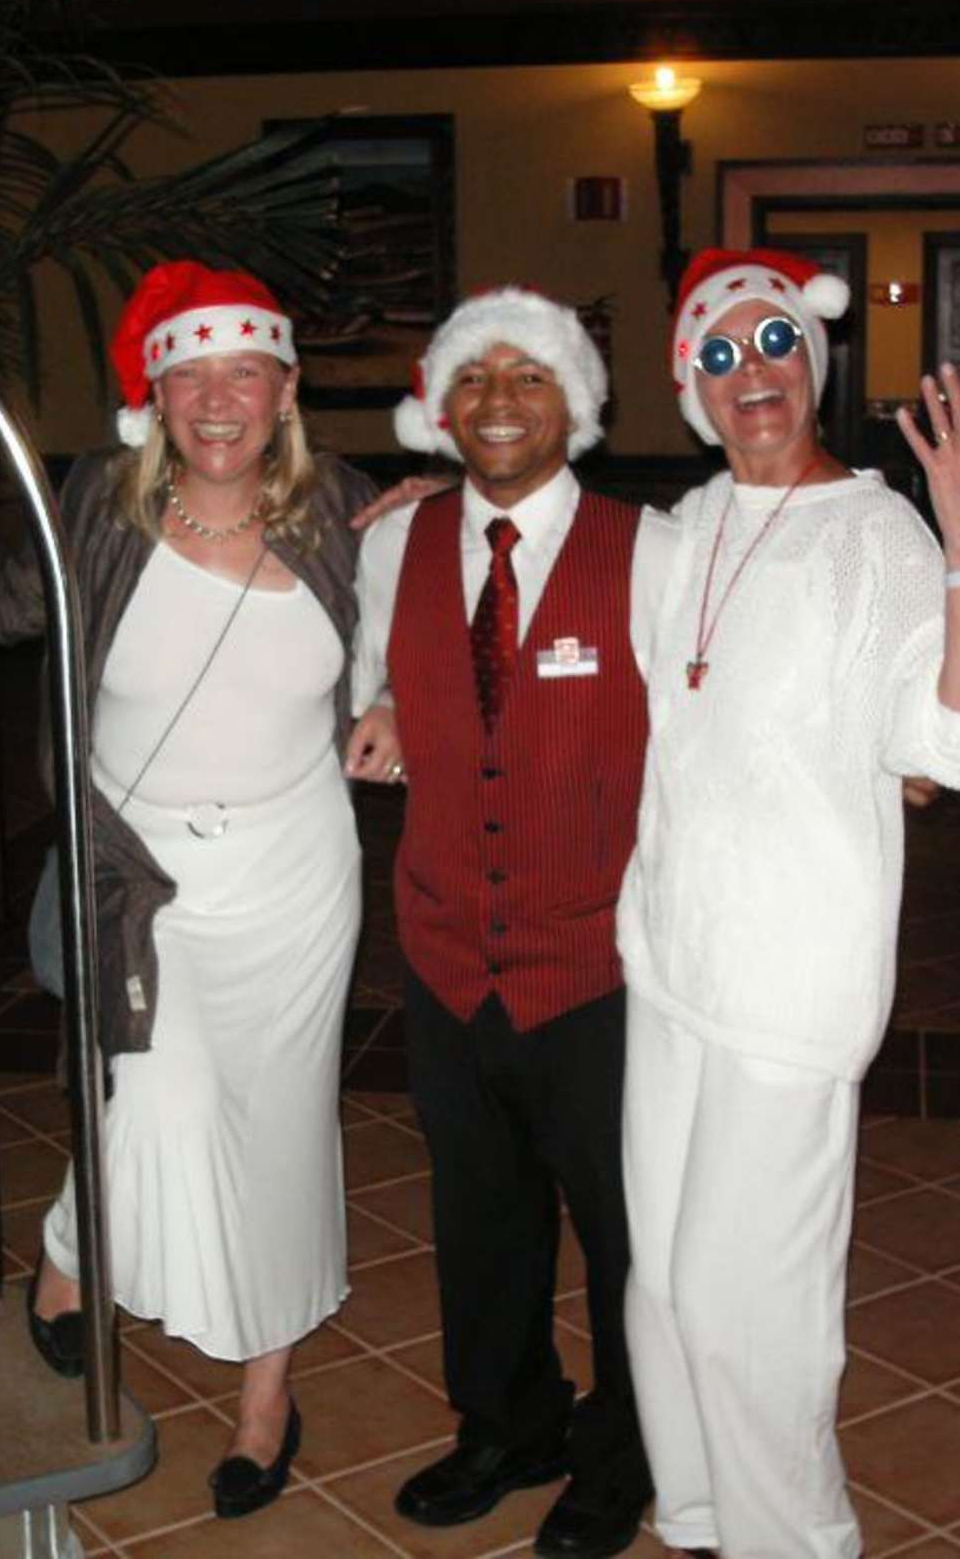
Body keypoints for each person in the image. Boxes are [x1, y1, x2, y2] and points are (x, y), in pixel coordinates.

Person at [0, 261, 396, 1520]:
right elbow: (7, 607)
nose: (218, 400)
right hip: (139, 872)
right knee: (159, 1105)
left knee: (281, 1130)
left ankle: (266, 1397)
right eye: (191, 375)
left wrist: (398, 701)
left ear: (285, 391)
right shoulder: (100, 505)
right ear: (154, 396)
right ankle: (71, 1251)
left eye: (245, 373)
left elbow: (417, 632)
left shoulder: (351, 512)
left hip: (295, 873)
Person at [617, 248, 960, 1558]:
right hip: (672, 959)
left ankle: (795, 1538)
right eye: (722, 353)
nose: (752, 372)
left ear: (814, 361)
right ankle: (703, 1514)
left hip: (792, 978)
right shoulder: (685, 529)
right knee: (662, 1284)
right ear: (691, 387)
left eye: (776, 343)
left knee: (748, 1303)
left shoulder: (875, 535)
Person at [349, 288, 672, 1559]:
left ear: (576, 406)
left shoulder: (652, 548)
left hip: (600, 963)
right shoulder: (396, 541)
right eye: (472, 377)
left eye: (529, 376)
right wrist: (380, 713)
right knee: (480, 1216)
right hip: (444, 949)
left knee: (627, 1234)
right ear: (440, 406)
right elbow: (375, 681)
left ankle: (625, 1451)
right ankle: (508, 1423)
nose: (498, 400)